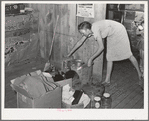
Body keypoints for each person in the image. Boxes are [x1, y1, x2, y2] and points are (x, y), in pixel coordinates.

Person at [67, 20, 143, 86]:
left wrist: (90, 59)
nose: (82, 35)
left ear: (87, 30)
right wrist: (69, 53)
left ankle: (140, 74)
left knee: (128, 54)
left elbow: (101, 47)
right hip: (111, 33)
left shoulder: (95, 30)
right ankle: (107, 80)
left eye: (82, 33)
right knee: (109, 57)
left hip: (119, 31)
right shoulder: (89, 30)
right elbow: (80, 42)